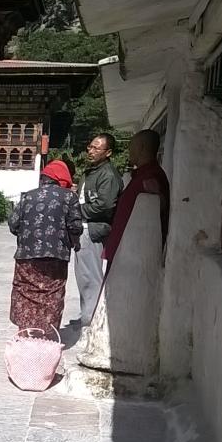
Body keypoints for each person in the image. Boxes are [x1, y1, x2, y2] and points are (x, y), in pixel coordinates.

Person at [7, 159, 84, 335]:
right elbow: (75, 226)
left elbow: (13, 223)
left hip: (27, 255)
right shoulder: (69, 197)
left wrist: (26, 237)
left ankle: (25, 330)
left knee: (25, 290)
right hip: (56, 255)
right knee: (52, 293)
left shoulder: (27, 196)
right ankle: (47, 333)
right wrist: (74, 242)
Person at [75, 133, 123, 325]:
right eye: (90, 146)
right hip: (84, 228)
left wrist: (76, 211)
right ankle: (87, 316)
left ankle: (91, 322)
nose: (91, 151)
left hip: (93, 230)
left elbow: (104, 205)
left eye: (96, 148)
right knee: (83, 276)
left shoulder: (108, 175)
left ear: (108, 152)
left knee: (89, 278)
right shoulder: (92, 171)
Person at [105, 130, 170, 262]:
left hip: (135, 252)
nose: (129, 151)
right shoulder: (140, 175)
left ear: (141, 147)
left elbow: (157, 210)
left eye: (131, 147)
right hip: (123, 247)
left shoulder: (151, 177)